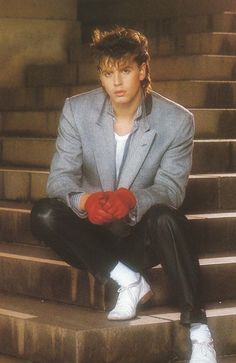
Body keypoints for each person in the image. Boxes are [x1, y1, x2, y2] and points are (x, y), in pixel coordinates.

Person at [31, 27, 217, 362]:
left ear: (143, 69)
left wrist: (131, 199)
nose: (116, 83)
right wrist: (86, 201)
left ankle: (199, 331)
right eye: (107, 73)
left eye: (126, 71)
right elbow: (59, 180)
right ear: (100, 76)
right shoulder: (77, 111)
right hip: (92, 236)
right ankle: (128, 281)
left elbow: (171, 190)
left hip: (139, 235)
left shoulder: (177, 121)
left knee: (167, 219)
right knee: (44, 213)